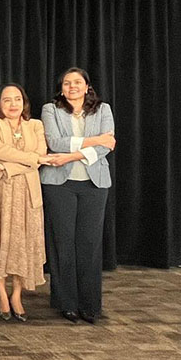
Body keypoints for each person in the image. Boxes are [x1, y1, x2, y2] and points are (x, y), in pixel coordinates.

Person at [0, 83, 54, 321]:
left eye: (17, 99)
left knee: (22, 244)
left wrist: (8, 166)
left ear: (24, 102)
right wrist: (31, 160)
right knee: (0, 241)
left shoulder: (35, 125)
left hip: (27, 194)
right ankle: (1, 293)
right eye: (7, 100)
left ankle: (17, 294)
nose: (12, 104)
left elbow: (41, 153)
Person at [40, 68, 116, 324]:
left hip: (94, 185)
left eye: (77, 82)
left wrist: (71, 155)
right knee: (62, 243)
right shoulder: (51, 109)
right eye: (67, 83)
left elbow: (106, 147)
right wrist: (96, 140)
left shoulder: (103, 110)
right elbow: (55, 142)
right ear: (61, 89)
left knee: (89, 244)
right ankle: (66, 303)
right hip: (59, 185)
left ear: (87, 87)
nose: (72, 86)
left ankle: (90, 304)